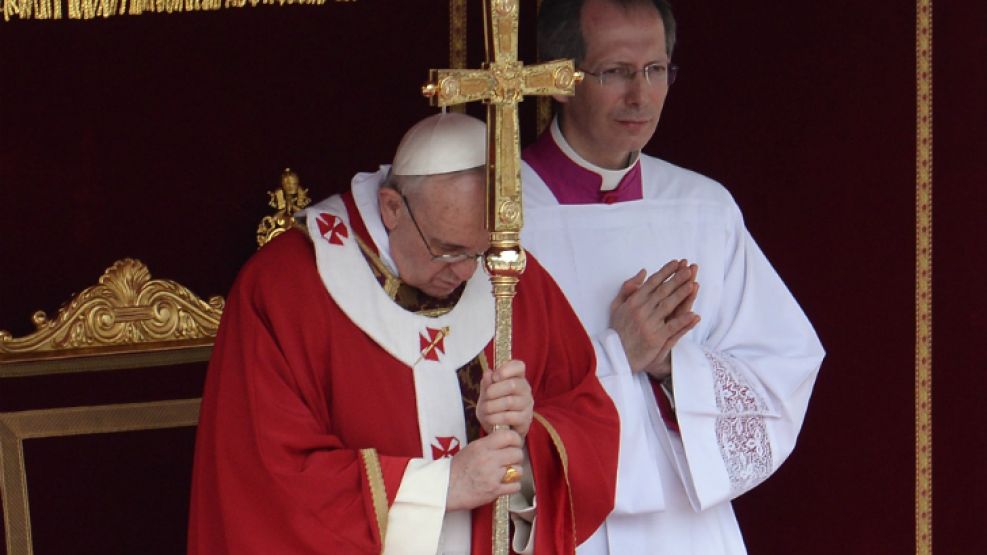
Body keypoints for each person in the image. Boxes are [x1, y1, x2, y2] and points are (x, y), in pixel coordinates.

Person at [188, 112, 619, 554]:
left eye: (481, 248)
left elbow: (587, 424)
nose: (469, 271)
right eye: (448, 250)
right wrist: (442, 488)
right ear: (392, 207)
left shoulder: (512, 282)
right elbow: (267, 482)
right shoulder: (286, 289)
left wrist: (525, 443)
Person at [519, 1, 826, 553]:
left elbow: (783, 372)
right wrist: (619, 354)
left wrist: (671, 365)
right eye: (616, 71)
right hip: (555, 520)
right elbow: (463, 392)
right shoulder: (500, 216)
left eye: (656, 70)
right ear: (561, 80)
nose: (641, 96)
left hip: (683, 530)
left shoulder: (703, 208)